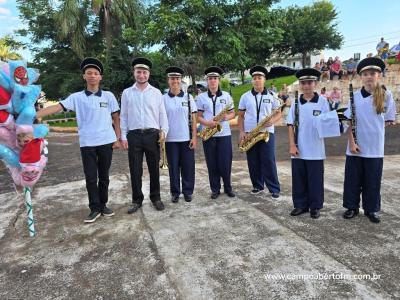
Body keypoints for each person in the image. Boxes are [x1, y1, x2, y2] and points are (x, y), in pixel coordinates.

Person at [36, 57, 121, 223]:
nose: (92, 76)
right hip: (87, 143)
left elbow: (116, 118)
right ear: (84, 76)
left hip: (106, 141)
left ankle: (103, 205)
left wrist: (117, 138)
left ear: (100, 77)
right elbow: (56, 107)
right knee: (90, 177)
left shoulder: (109, 96)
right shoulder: (76, 97)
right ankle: (94, 208)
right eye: (89, 73)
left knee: (104, 176)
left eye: (96, 73)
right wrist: (33, 115)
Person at [342, 57, 396, 224]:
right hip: (355, 146)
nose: (369, 76)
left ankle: (371, 209)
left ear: (378, 75)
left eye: (372, 73)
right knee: (352, 180)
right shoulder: (354, 97)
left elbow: (388, 120)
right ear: (361, 77)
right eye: (365, 74)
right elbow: (348, 122)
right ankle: (352, 207)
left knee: (372, 180)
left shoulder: (386, 95)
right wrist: (351, 142)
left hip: (375, 147)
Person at [286, 68, 340, 219]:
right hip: (298, 148)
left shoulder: (323, 102)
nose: (306, 86)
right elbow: (290, 125)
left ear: (315, 83)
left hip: (316, 149)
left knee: (315, 179)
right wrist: (292, 144)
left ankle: (315, 206)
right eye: (303, 83)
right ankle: (300, 205)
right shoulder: (296, 103)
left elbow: (329, 123)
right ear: (300, 85)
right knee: (299, 179)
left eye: (309, 82)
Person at [120, 57, 169, 214]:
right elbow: (124, 116)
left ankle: (156, 198)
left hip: (152, 135)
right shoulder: (127, 93)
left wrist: (164, 131)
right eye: (138, 72)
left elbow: (162, 114)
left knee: (154, 168)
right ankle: (137, 200)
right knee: (135, 169)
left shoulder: (156, 93)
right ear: (134, 73)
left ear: (149, 74)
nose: (141, 75)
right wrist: (123, 136)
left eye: (144, 72)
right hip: (134, 135)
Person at [237, 65, 281, 198]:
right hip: (250, 132)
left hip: (267, 132)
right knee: (253, 161)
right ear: (252, 81)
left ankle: (274, 188)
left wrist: (272, 121)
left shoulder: (273, 95)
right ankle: (257, 185)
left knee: (268, 160)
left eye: (259, 78)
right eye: (254, 78)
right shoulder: (245, 96)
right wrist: (242, 131)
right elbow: (240, 116)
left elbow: (278, 113)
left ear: (264, 79)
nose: (257, 80)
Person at [196, 66, 236, 199]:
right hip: (208, 134)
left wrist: (226, 117)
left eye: (215, 78)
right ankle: (215, 189)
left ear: (218, 80)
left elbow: (232, 113)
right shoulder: (201, 97)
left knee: (225, 163)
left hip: (224, 135)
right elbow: (198, 116)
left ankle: (228, 188)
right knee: (211, 163)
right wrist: (208, 123)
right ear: (207, 81)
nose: (213, 81)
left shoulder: (226, 96)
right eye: (210, 79)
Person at [163, 66, 197, 203]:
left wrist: (194, 137)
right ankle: (175, 192)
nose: (175, 81)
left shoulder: (189, 98)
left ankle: (188, 192)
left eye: (177, 78)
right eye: (172, 78)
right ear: (168, 81)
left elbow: (194, 119)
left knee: (188, 167)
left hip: (186, 138)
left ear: (180, 80)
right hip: (170, 139)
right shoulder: (163, 98)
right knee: (173, 167)